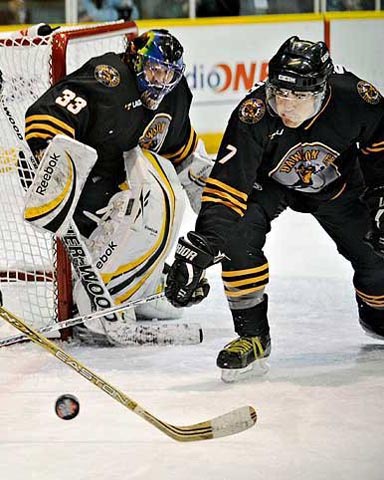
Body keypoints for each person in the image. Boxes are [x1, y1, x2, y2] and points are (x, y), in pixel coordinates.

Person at [165, 36, 384, 381]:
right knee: (237, 233)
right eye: (281, 93)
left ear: (321, 91)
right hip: (269, 185)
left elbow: (380, 152)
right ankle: (252, 335)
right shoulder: (253, 115)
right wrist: (203, 246)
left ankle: (377, 312)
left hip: (339, 184)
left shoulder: (355, 99)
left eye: (298, 96)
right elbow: (227, 190)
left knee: (377, 260)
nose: (286, 106)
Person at [24, 29, 213, 345]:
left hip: (110, 178)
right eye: (155, 69)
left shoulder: (174, 96)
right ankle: (94, 292)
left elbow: (184, 155)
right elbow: (49, 113)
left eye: (169, 73)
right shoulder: (109, 77)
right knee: (147, 193)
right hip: (62, 172)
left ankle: (137, 285)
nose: (160, 80)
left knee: (163, 188)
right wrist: (47, 152)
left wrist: (220, 219)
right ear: (137, 62)